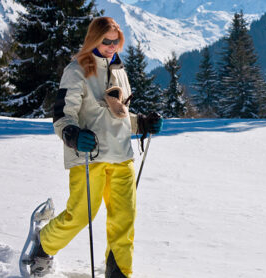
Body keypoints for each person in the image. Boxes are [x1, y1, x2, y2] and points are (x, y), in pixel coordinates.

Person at [30, 17, 163, 278]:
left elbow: (119, 117)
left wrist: (142, 123)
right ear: (94, 39)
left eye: (116, 41)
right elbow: (62, 114)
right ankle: (43, 246)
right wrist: (71, 134)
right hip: (88, 154)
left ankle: (119, 272)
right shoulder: (77, 70)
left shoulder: (120, 71)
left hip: (122, 156)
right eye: (106, 41)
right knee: (80, 215)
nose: (112, 46)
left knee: (124, 219)